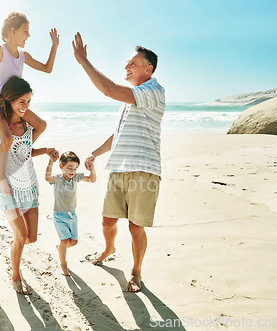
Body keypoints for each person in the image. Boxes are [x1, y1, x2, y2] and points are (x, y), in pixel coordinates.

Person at [72, 32, 165, 293]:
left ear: (148, 69)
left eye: (132, 64)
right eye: (126, 63)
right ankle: (109, 248)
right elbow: (119, 132)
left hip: (144, 170)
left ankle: (136, 272)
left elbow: (108, 90)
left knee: (135, 226)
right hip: (119, 169)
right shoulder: (131, 99)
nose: (126, 67)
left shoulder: (153, 90)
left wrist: (83, 61)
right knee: (107, 221)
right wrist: (97, 152)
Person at [0, 76, 56, 295]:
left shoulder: (26, 124)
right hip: (7, 189)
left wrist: (44, 150)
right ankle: (16, 276)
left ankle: (14, 247)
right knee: (20, 236)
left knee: (31, 237)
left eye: (29, 102)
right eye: (22, 102)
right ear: (9, 99)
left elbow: (23, 152)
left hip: (29, 185)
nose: (26, 107)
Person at [0, 12, 59, 198]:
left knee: (41, 125)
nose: (28, 36)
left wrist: (54, 46)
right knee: (7, 139)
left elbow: (47, 69)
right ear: (13, 31)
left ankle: (21, 152)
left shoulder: (23, 56)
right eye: (25, 31)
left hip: (14, 103)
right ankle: (1, 175)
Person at [45, 151, 96, 276]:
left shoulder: (75, 177)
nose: (72, 171)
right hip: (59, 215)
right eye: (69, 168)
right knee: (64, 241)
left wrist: (92, 169)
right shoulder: (57, 178)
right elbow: (47, 177)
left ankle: (60, 248)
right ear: (61, 166)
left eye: (75, 168)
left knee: (73, 242)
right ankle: (63, 264)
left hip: (72, 215)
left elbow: (92, 180)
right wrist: (51, 161)